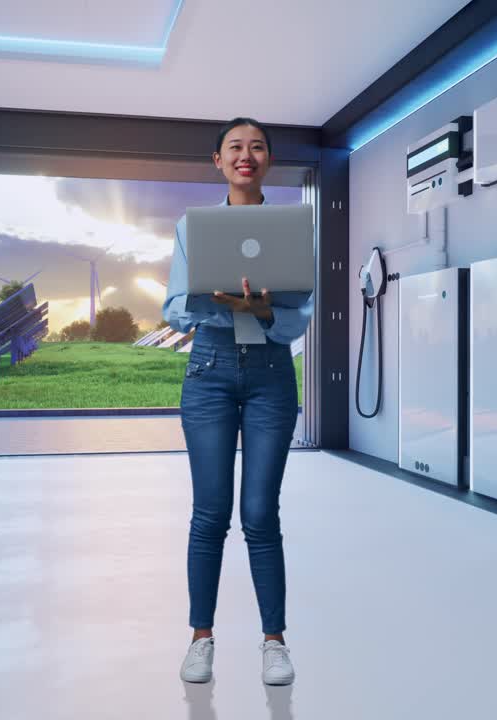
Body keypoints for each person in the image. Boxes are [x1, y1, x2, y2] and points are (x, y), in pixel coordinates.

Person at [162, 117, 314, 686]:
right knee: (210, 513)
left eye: (256, 147)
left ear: (268, 161)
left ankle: (274, 642)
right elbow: (174, 307)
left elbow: (300, 313)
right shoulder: (192, 228)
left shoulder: (294, 228)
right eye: (235, 147)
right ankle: (201, 639)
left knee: (259, 514)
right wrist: (224, 306)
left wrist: (266, 312)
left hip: (272, 376)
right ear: (218, 161)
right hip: (210, 372)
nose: (245, 155)